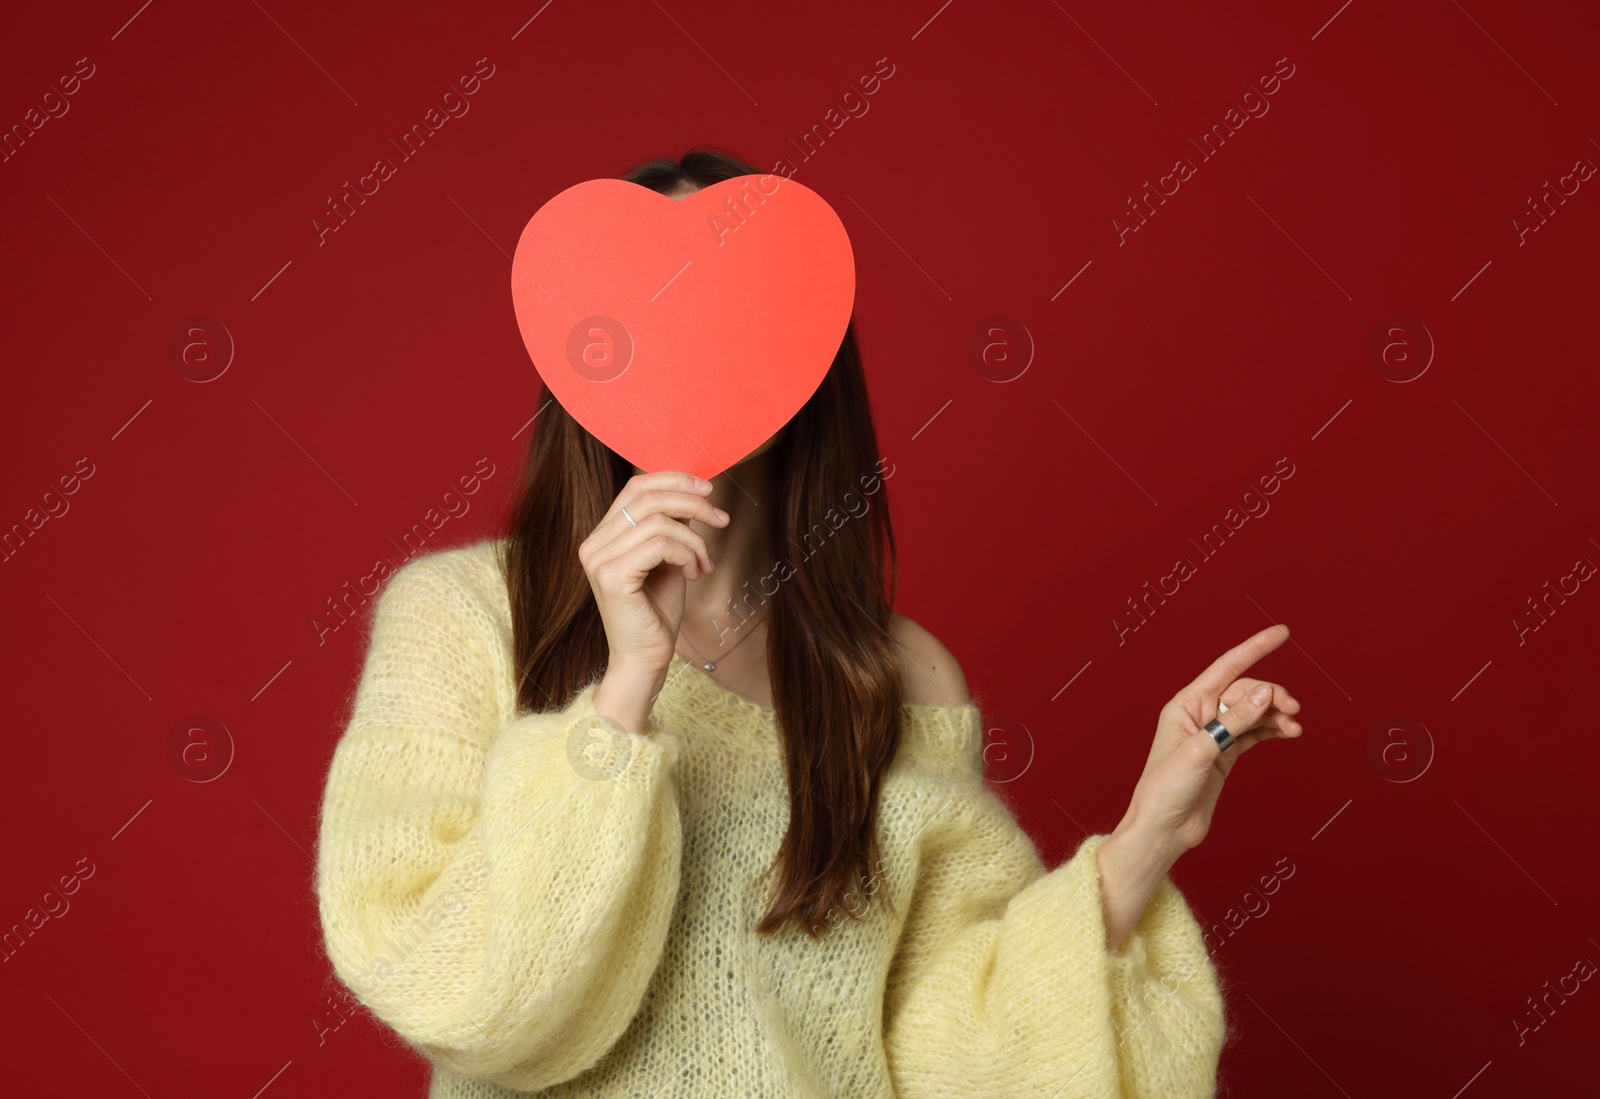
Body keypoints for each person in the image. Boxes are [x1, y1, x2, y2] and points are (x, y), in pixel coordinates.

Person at [313, 148, 1306, 1099]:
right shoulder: (464, 618)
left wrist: (1144, 837)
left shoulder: (902, 679)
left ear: (807, 351)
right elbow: (460, 990)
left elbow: (949, 1061)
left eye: (724, 301)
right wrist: (625, 690)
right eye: (645, 310)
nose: (686, 341)